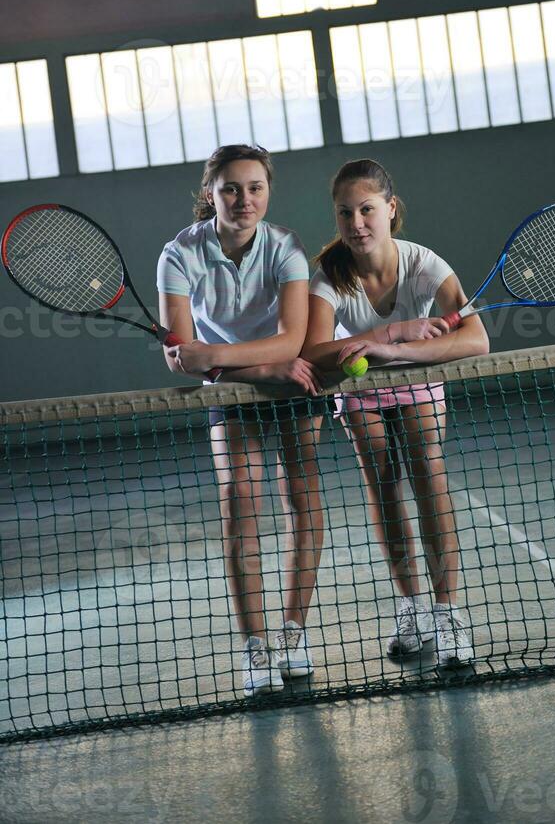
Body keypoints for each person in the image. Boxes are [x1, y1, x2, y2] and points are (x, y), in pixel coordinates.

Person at [302, 158, 489, 665]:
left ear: (390, 209)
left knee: (429, 476)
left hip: (418, 380)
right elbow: (313, 351)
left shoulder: (424, 264)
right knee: (382, 483)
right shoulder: (331, 276)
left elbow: (476, 340)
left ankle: (448, 614)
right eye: (345, 213)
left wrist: (398, 353)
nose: (356, 223)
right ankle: (409, 606)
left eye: (366, 210)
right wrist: (385, 337)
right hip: (360, 392)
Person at [157, 144, 324, 698]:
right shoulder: (178, 255)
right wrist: (255, 363)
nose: (244, 199)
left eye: (255, 188)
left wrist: (220, 356)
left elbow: (292, 341)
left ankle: (294, 633)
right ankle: (255, 646)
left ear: (267, 192)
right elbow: (180, 352)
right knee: (240, 503)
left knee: (302, 499)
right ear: (211, 193)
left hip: (288, 381)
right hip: (236, 396)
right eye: (231, 188)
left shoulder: (287, 248)